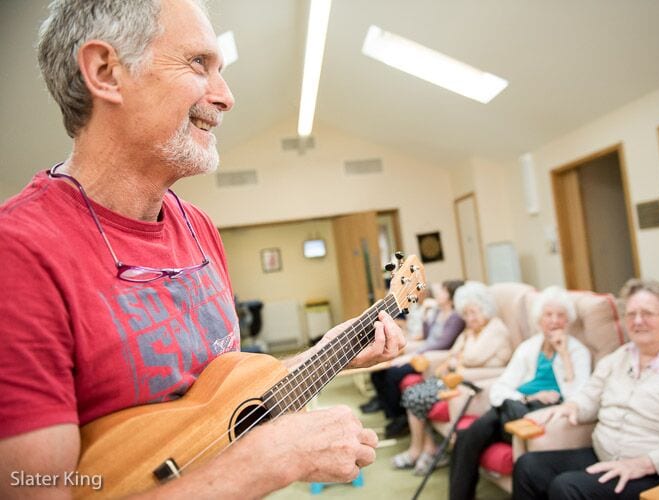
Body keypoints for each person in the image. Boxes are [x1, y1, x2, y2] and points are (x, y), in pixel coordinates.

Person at [0, 1, 405, 498]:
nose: (227, 96)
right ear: (106, 72)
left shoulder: (198, 228)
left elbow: (213, 405)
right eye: (199, 64)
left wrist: (329, 353)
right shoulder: (18, 255)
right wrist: (272, 459)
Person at [512, 279, 659, 500]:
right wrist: (573, 406)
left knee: (567, 486)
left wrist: (648, 463)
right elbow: (590, 397)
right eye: (631, 314)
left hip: (654, 470)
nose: (638, 321)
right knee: (528, 467)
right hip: (604, 456)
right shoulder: (619, 357)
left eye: (647, 313)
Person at [449, 286, 591, 499]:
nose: (553, 321)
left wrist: (564, 355)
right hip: (514, 407)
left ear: (568, 321)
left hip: (541, 414)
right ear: (539, 320)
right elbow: (500, 388)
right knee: (467, 437)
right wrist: (528, 397)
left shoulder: (578, 351)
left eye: (560, 315)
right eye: (548, 314)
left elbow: (578, 396)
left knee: (495, 419)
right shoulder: (528, 347)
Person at [392, 281, 514, 475]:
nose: (470, 318)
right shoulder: (472, 331)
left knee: (415, 397)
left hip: (472, 381)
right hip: (454, 377)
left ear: (486, 309)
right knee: (411, 393)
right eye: (466, 314)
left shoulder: (495, 328)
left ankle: (420, 450)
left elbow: (473, 357)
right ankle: (427, 447)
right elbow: (454, 353)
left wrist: (456, 360)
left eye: (474, 312)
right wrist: (455, 359)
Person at [363, 280, 466, 438]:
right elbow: (426, 335)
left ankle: (400, 417)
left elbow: (442, 343)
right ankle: (391, 414)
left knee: (391, 374)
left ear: (451, 295)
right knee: (378, 372)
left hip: (430, 357)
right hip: (423, 349)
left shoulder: (455, 317)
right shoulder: (437, 311)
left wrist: (414, 354)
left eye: (443, 291)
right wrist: (426, 315)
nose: (438, 293)